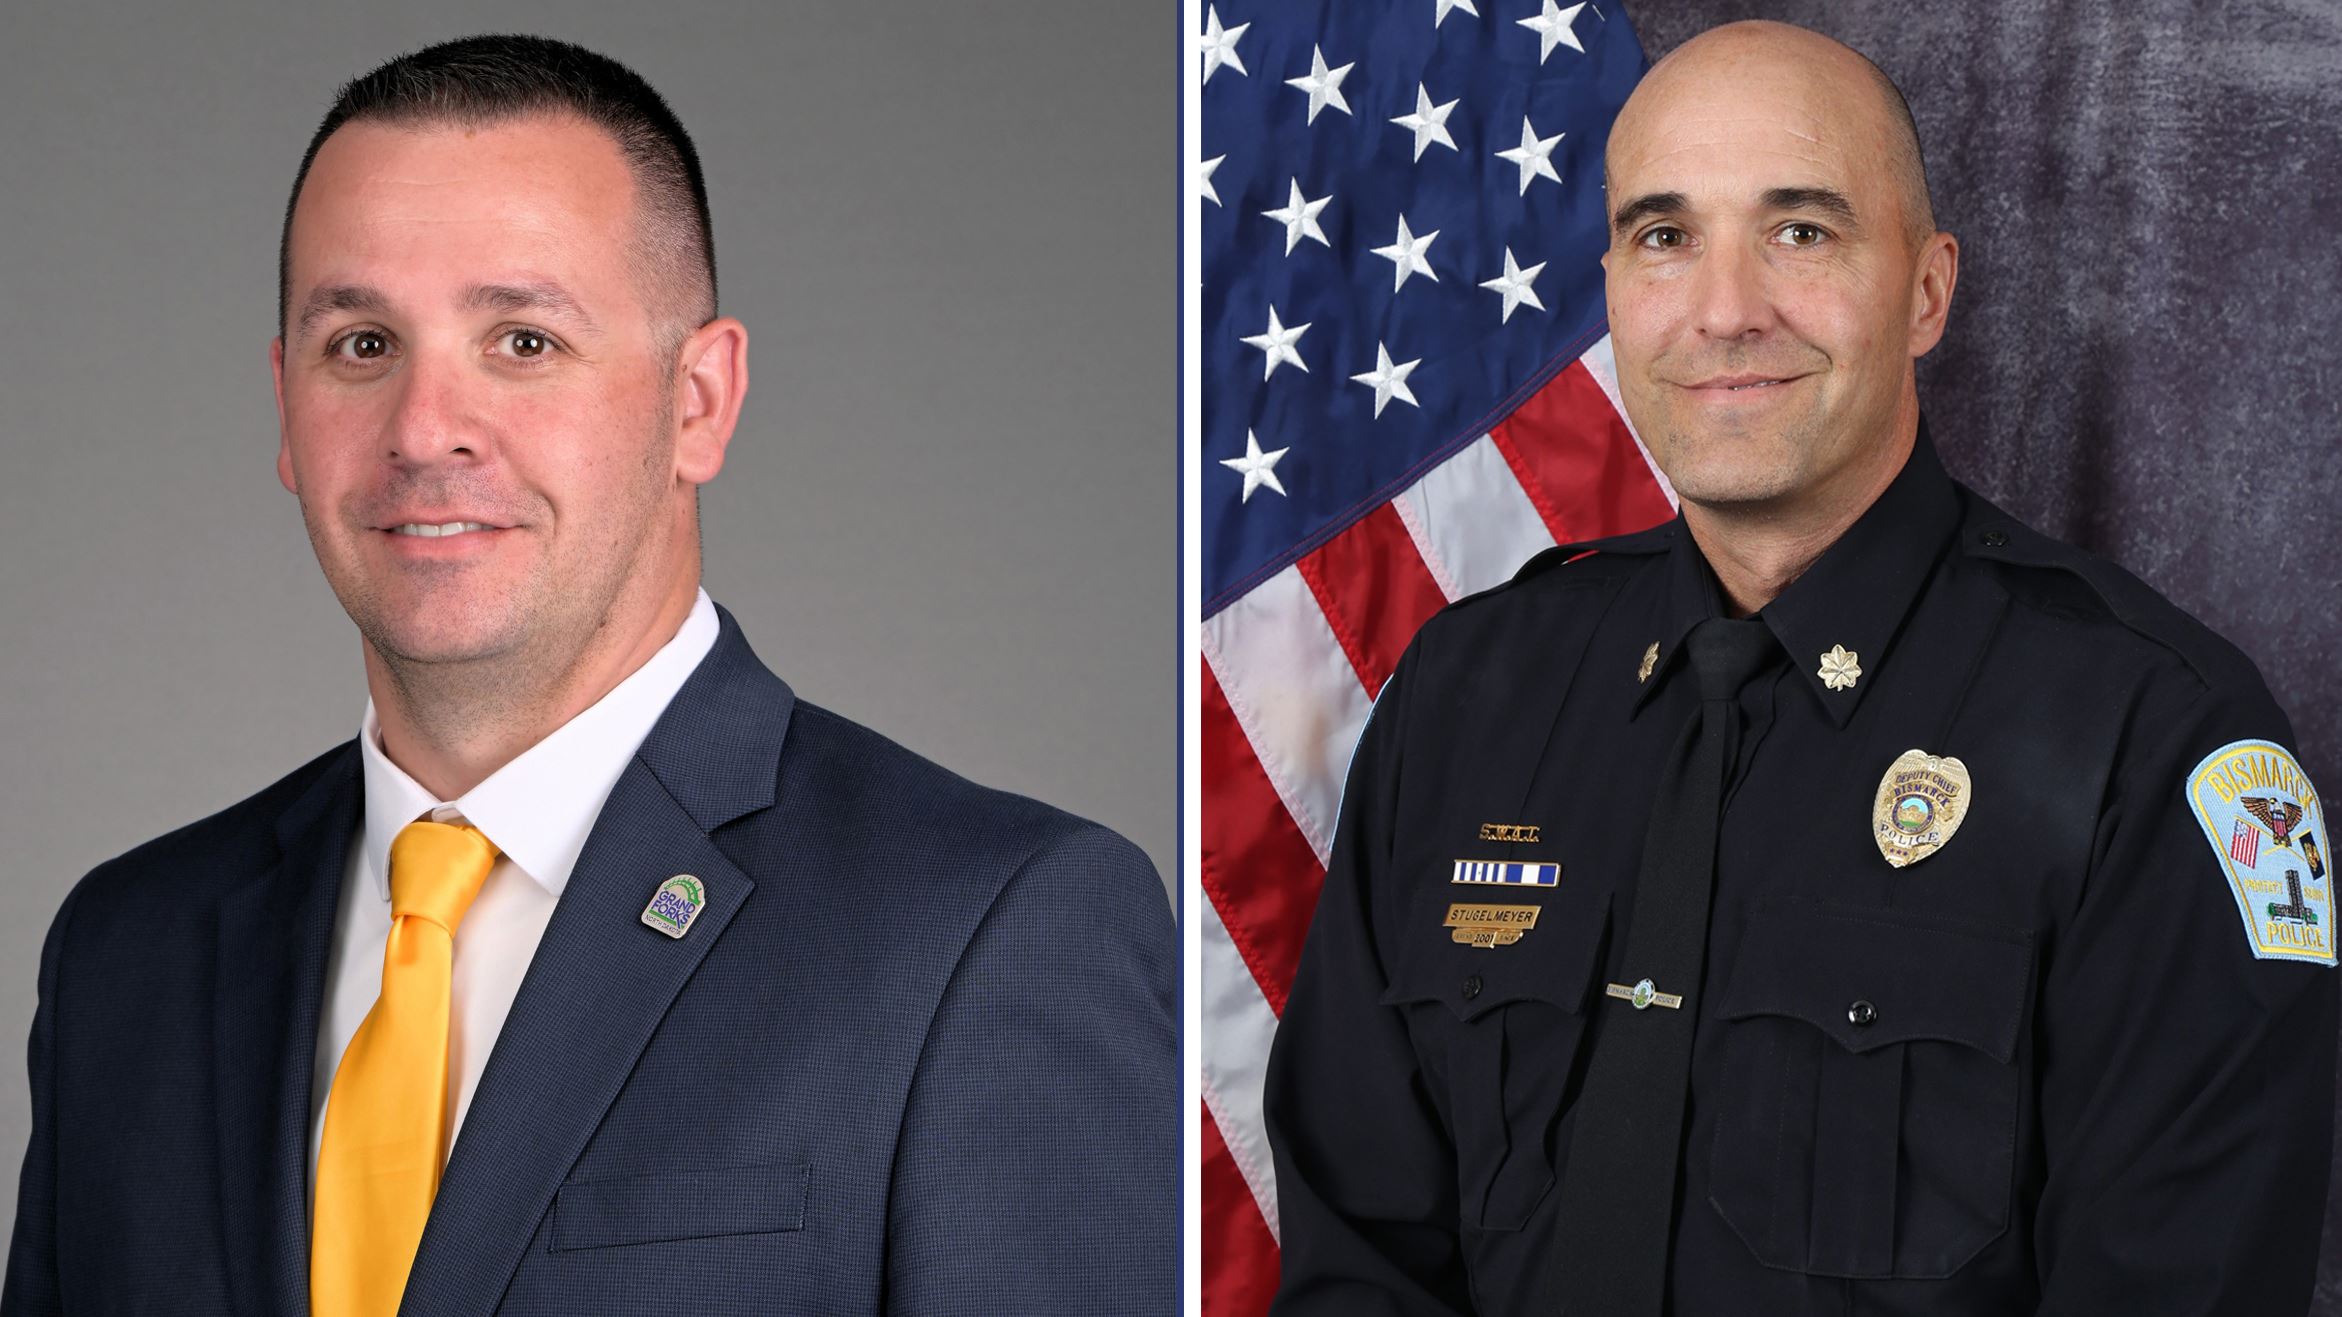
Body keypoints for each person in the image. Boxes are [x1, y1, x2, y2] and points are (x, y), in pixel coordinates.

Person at [1, 34, 1174, 1317]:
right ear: (285, 405)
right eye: (359, 344)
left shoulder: (984, 934)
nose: (424, 427)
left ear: (700, 401)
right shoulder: (132, 949)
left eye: (522, 341)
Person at [1264, 19, 2333, 1316]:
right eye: (1665, 237)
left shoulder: (2150, 745)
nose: (1724, 310)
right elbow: (1358, 1268)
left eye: (1800, 232)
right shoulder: (1464, 701)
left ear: (1926, 288)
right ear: (1609, 283)